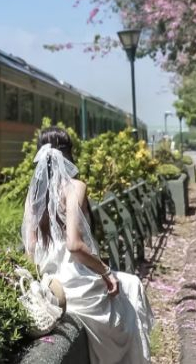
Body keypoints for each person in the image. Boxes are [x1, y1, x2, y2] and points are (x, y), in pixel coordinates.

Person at [21, 127, 154, 364]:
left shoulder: (33, 196)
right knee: (132, 287)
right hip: (76, 284)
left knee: (129, 286)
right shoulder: (75, 187)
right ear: (69, 153)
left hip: (51, 284)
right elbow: (74, 245)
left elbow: (30, 249)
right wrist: (105, 271)